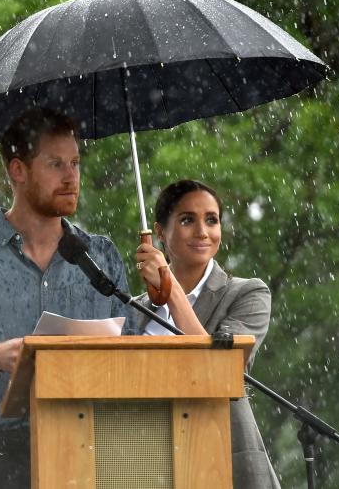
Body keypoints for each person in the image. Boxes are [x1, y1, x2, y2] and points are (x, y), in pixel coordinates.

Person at [0, 108, 137, 488]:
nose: (71, 177)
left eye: (75, 163)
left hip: (85, 457)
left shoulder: (99, 255)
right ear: (18, 171)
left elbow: (131, 357)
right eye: (56, 164)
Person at [134, 179, 280, 488]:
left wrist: (170, 291)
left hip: (221, 463)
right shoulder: (132, 312)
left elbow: (217, 370)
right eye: (187, 220)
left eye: (211, 220)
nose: (203, 231)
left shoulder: (248, 294)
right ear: (159, 232)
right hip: (145, 463)